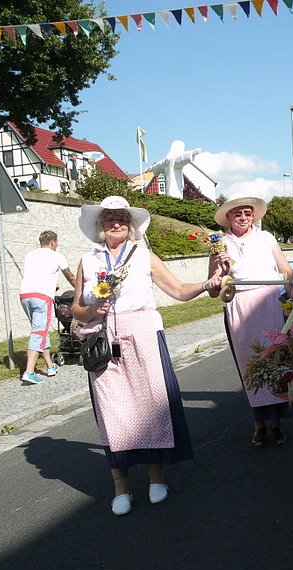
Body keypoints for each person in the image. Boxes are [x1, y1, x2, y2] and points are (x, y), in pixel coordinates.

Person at [71, 196, 221, 516]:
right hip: (104, 340)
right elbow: (75, 310)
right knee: (114, 414)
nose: (116, 222)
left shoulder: (145, 256)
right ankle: (120, 487)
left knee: (150, 407)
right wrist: (92, 308)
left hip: (143, 333)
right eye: (110, 217)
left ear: (130, 224)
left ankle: (156, 480)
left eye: (122, 218)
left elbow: (178, 290)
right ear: (100, 225)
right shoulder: (89, 260)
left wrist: (208, 284)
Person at [208, 197, 293, 448]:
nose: (243, 217)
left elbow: (287, 271)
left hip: (270, 302)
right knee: (250, 366)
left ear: (254, 216)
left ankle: (277, 423)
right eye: (237, 213)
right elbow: (213, 289)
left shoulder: (266, 238)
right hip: (240, 305)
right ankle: (259, 424)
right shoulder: (219, 244)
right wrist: (221, 272)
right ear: (228, 217)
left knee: (276, 360)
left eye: (248, 213)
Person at [19, 231, 76, 384]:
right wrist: (80, 290)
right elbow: (70, 276)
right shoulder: (57, 255)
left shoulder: (30, 255)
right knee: (38, 332)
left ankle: (51, 366)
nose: (57, 245)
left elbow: (36, 274)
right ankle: (29, 372)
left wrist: (53, 285)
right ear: (52, 242)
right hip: (41, 297)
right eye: (56, 242)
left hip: (25, 295)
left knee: (40, 330)